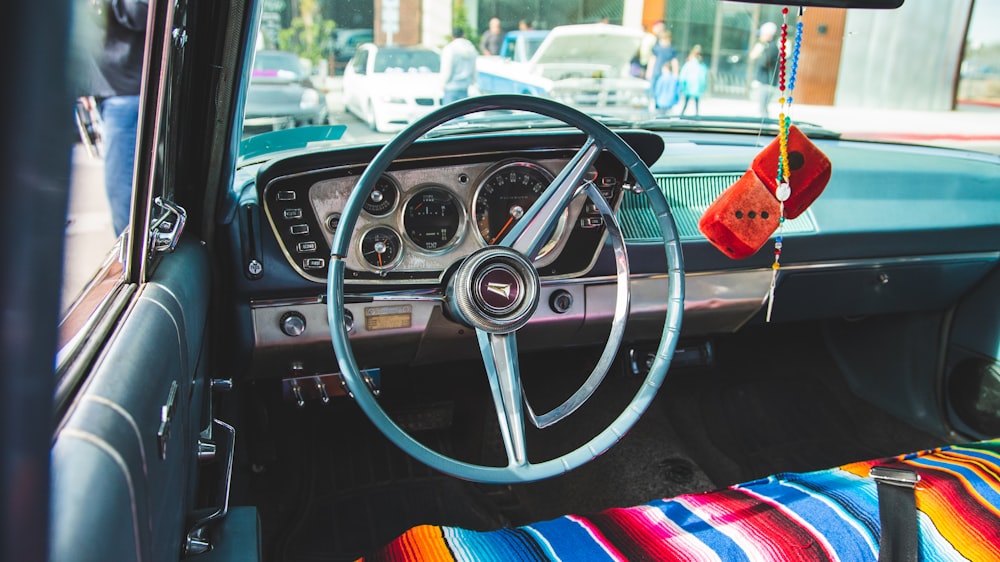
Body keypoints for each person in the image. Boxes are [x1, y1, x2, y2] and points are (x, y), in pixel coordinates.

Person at [76, 0, 148, 237]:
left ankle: (133, 262)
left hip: (127, 91)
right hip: (106, 87)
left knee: (124, 193)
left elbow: (143, 11)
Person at [749, 21, 780, 119]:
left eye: (762, 34)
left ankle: (765, 128)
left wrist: (758, 52)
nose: (760, 36)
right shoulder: (768, 47)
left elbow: (763, 63)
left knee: (763, 109)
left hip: (767, 84)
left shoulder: (772, 48)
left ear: (769, 35)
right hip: (765, 82)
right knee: (763, 108)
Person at [440, 27, 479, 105]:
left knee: (449, 115)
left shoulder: (450, 49)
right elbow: (474, 69)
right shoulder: (471, 49)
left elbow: (447, 69)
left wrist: (442, 84)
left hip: (451, 87)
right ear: (463, 35)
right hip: (465, 87)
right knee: (462, 113)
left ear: (452, 37)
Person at [678, 45, 708, 116]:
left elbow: (683, 76)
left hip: (688, 87)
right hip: (697, 88)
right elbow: (703, 78)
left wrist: (682, 86)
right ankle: (696, 114)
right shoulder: (702, 66)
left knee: (686, 101)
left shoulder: (688, 64)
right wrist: (703, 87)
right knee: (696, 102)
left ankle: (682, 113)